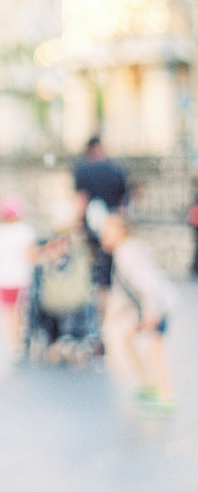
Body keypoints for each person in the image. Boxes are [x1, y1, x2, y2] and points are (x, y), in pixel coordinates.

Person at [99, 213, 175, 410]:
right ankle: (147, 384)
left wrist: (151, 314)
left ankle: (166, 395)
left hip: (157, 305)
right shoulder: (123, 251)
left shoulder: (127, 253)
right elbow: (123, 288)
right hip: (150, 306)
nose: (103, 235)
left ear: (122, 231)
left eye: (109, 231)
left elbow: (147, 285)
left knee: (154, 350)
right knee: (128, 340)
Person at [73, 134, 129, 328]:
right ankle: (114, 319)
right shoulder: (118, 171)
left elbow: (81, 201)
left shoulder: (83, 171)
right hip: (116, 233)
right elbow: (124, 205)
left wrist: (77, 226)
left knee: (98, 280)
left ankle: (101, 322)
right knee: (113, 276)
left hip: (92, 233)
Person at [0, 194, 36, 356]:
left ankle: (13, 345)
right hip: (22, 278)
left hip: (1, 278)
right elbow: (31, 256)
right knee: (22, 312)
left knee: (8, 314)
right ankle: (21, 337)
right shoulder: (25, 231)